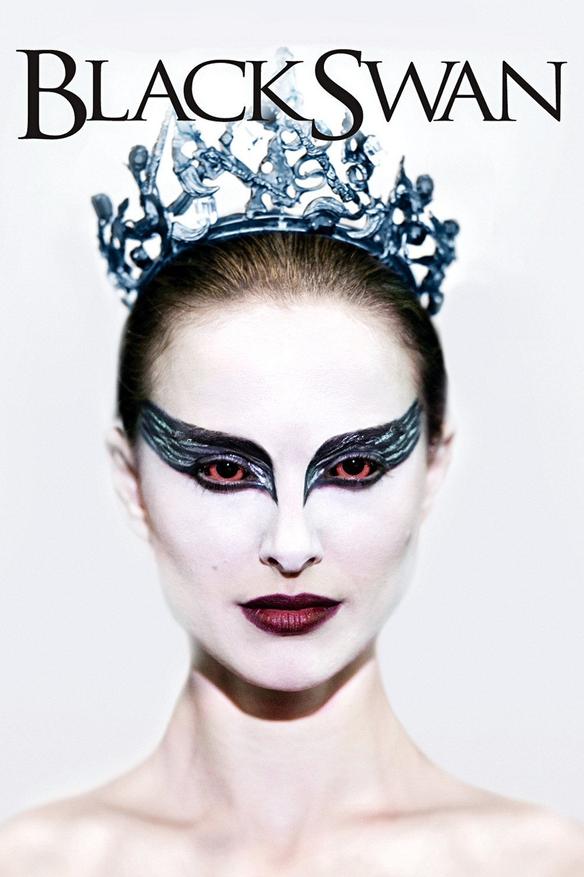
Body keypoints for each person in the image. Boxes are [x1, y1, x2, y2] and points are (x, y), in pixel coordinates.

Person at [1, 120, 583, 876]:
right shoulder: (31, 862)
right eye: (223, 471)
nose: (291, 544)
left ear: (433, 464)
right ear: (131, 479)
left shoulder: (543, 862)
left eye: (354, 467)